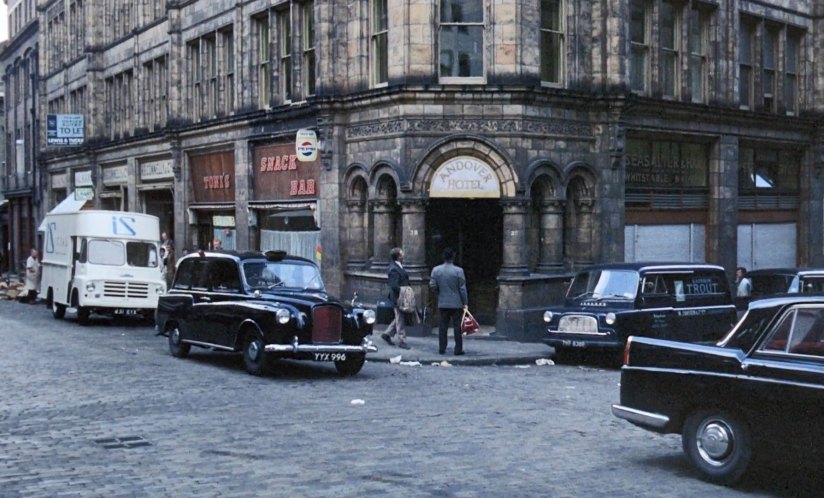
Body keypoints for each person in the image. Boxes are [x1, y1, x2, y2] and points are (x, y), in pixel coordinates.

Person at [429, 247, 468, 355]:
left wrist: (438, 293)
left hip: (443, 302)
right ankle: (458, 349)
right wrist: (465, 302)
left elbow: (432, 285)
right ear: (453, 257)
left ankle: (442, 348)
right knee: (457, 327)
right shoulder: (459, 271)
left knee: (443, 326)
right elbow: (462, 289)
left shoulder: (436, 270)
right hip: (456, 303)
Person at [380, 247, 411, 350]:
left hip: (401, 297)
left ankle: (387, 334)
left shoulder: (398, 266)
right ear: (398, 256)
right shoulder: (394, 268)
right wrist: (405, 291)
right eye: (402, 254)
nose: (404, 255)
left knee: (399, 317)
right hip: (398, 298)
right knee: (400, 318)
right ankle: (402, 340)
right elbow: (394, 285)